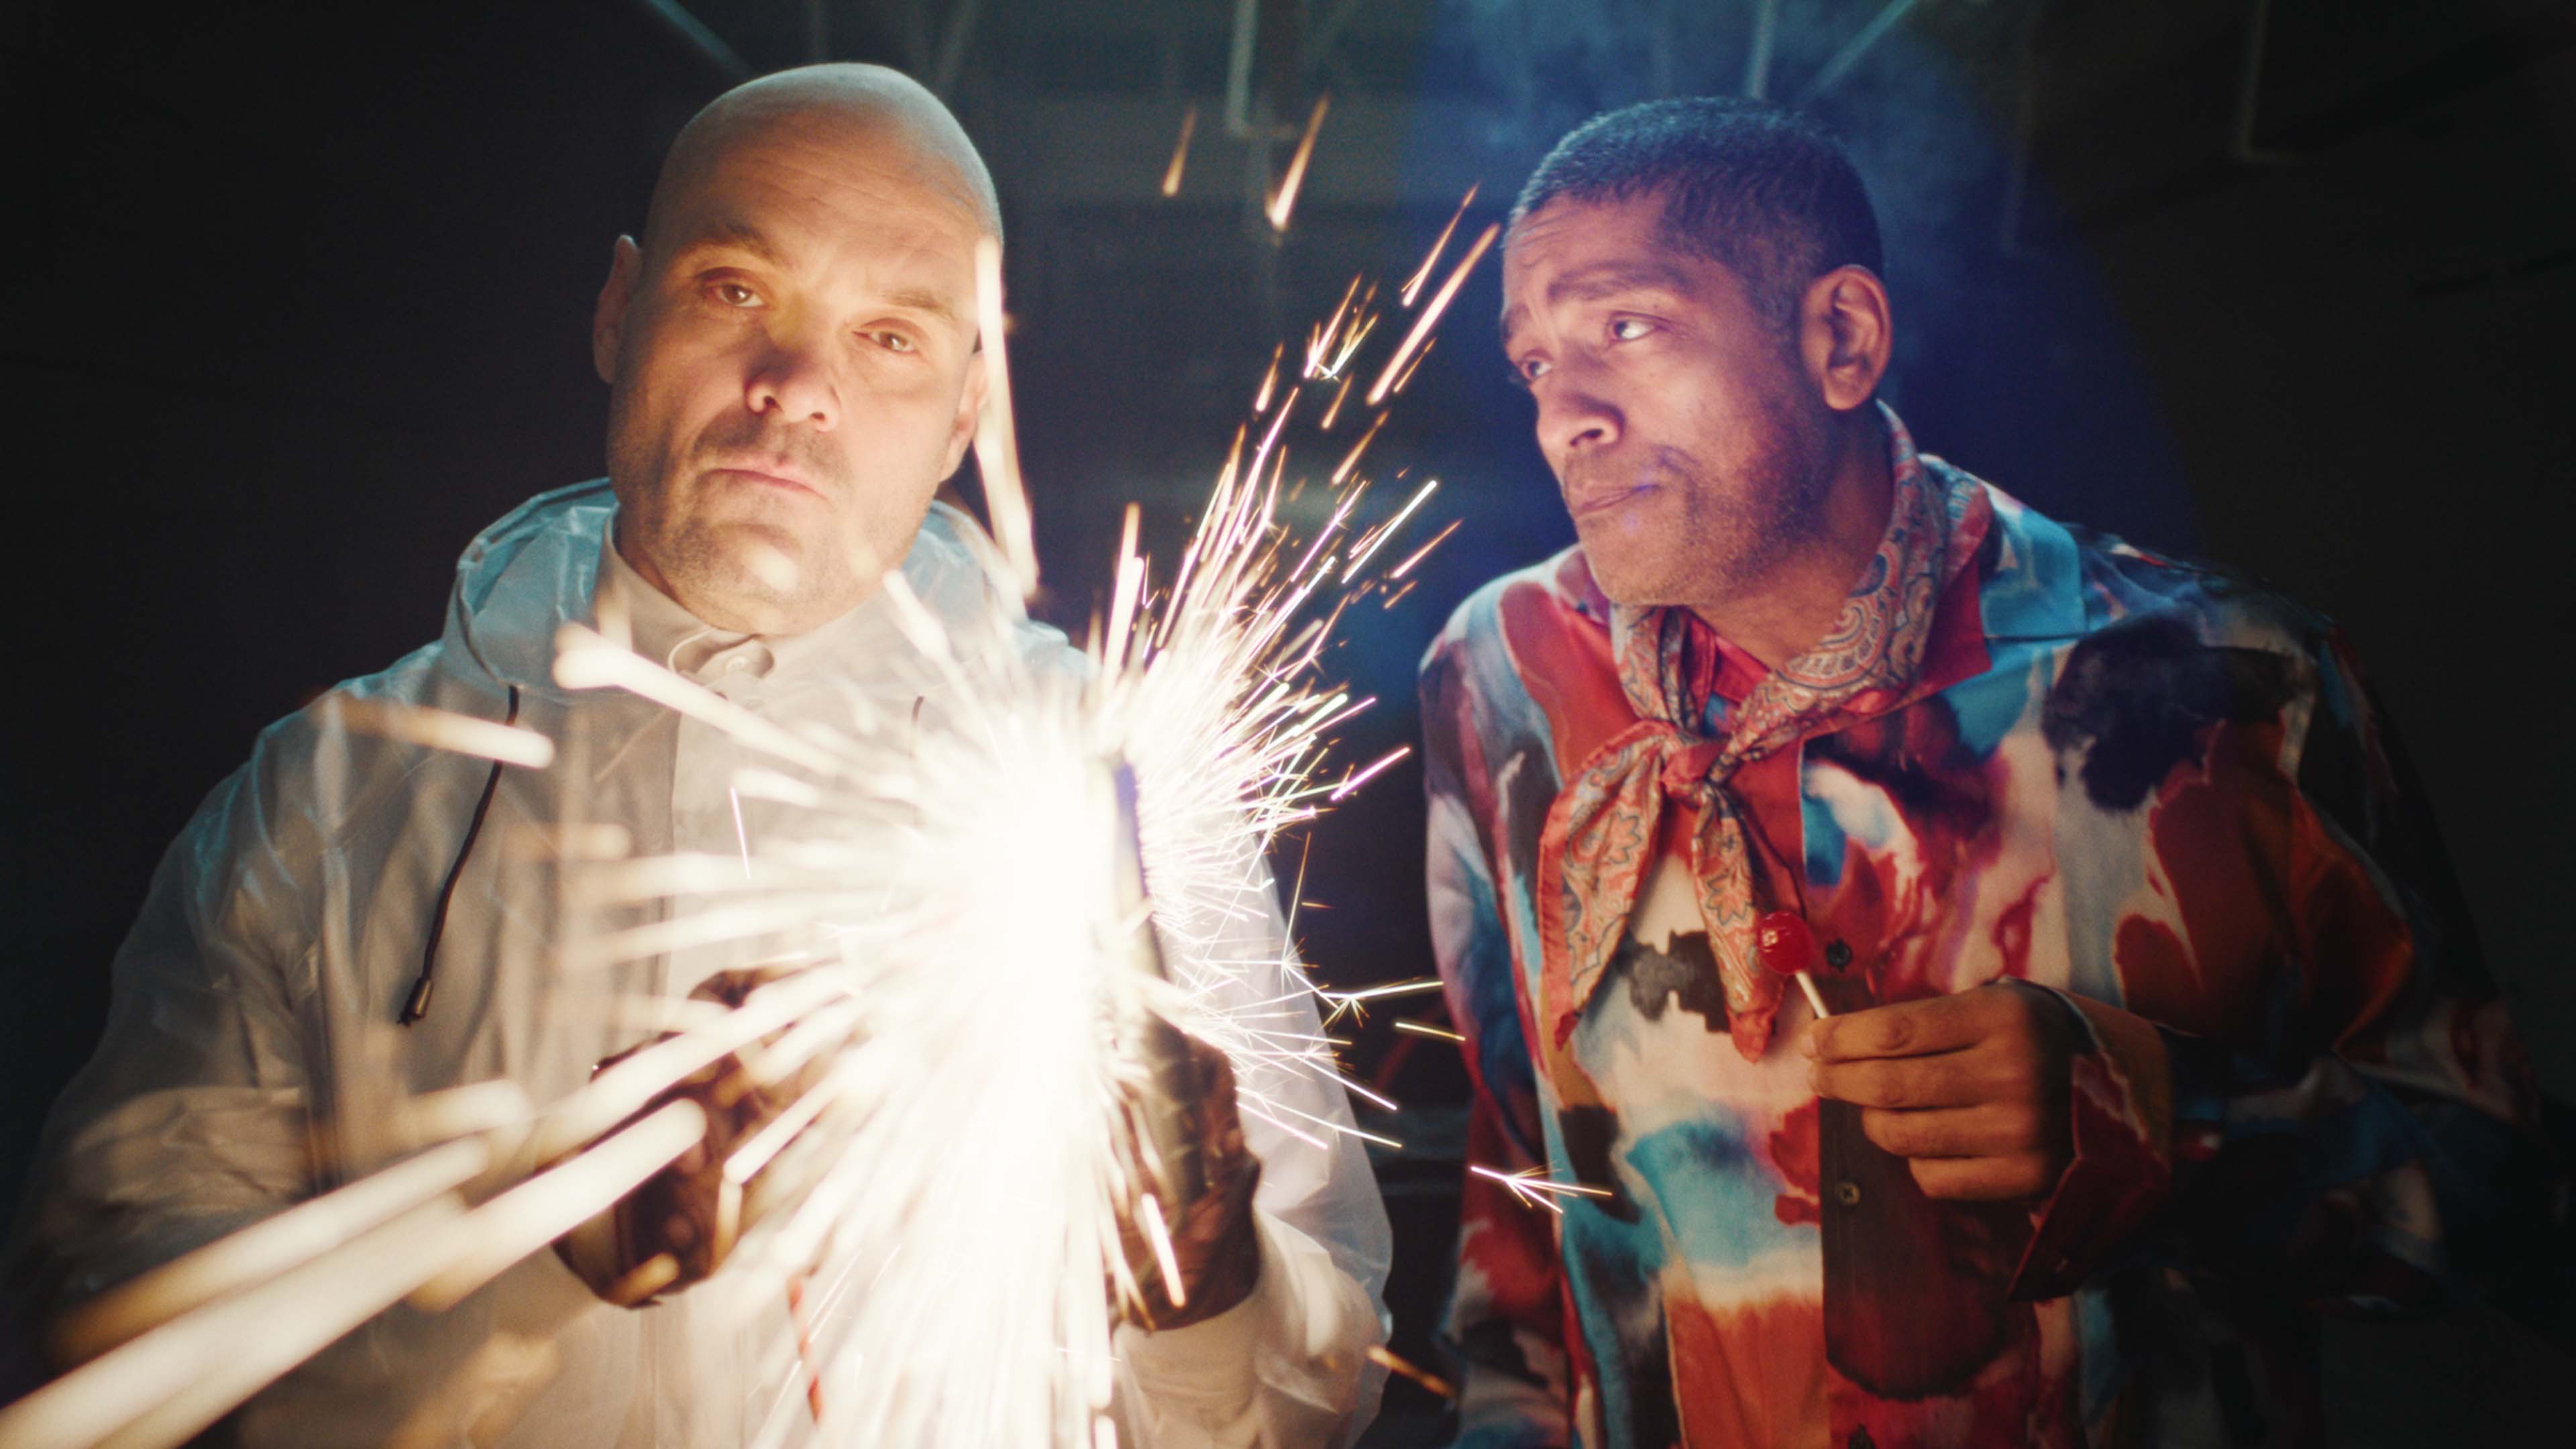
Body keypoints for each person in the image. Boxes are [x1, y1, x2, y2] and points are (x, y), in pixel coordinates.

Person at [11, 64, 1389, 1447]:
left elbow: (1309, 1401)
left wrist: (1208, 1285)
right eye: (738, 291)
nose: (796, 389)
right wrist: (513, 1232)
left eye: (892, 338)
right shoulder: (330, 799)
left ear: (972, 407)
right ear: (621, 308)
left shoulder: (1104, 801)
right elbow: (107, 1318)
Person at [1418, 97, 2554, 1448]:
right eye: (1533, 363)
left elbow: (2495, 1201)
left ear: (1840, 338)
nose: (1565, 417)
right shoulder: (1507, 678)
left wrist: (2165, 1133)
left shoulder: (2219, 687)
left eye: (1626, 329)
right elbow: (1517, 1195)